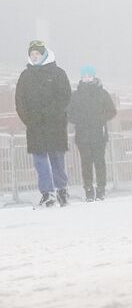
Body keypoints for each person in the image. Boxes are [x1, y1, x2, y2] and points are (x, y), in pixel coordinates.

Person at [15, 40, 71, 207]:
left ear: (44, 54)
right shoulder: (25, 76)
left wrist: (52, 114)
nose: (34, 57)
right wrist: (29, 119)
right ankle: (47, 193)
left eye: (37, 54)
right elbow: (19, 100)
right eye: (32, 54)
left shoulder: (58, 73)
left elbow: (65, 96)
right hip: (35, 126)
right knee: (40, 161)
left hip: (55, 124)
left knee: (57, 159)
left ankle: (61, 189)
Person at [68, 64, 117, 201]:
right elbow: (70, 114)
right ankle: (88, 189)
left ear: (94, 77)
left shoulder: (102, 93)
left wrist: (100, 119)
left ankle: (101, 189)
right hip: (83, 134)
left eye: (89, 76)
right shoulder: (76, 95)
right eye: (84, 76)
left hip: (98, 133)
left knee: (99, 161)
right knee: (86, 162)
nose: (87, 78)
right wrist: (80, 120)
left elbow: (112, 111)